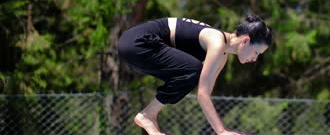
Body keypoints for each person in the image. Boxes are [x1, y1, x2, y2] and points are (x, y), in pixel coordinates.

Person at [117, 15, 273, 135]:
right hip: (138, 42)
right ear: (245, 41)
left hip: (137, 46)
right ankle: (147, 115)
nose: (255, 59)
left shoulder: (221, 55)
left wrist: (222, 130)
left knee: (189, 73)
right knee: (192, 70)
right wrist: (221, 131)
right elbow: (202, 94)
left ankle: (148, 116)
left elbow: (204, 95)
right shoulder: (217, 43)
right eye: (256, 52)